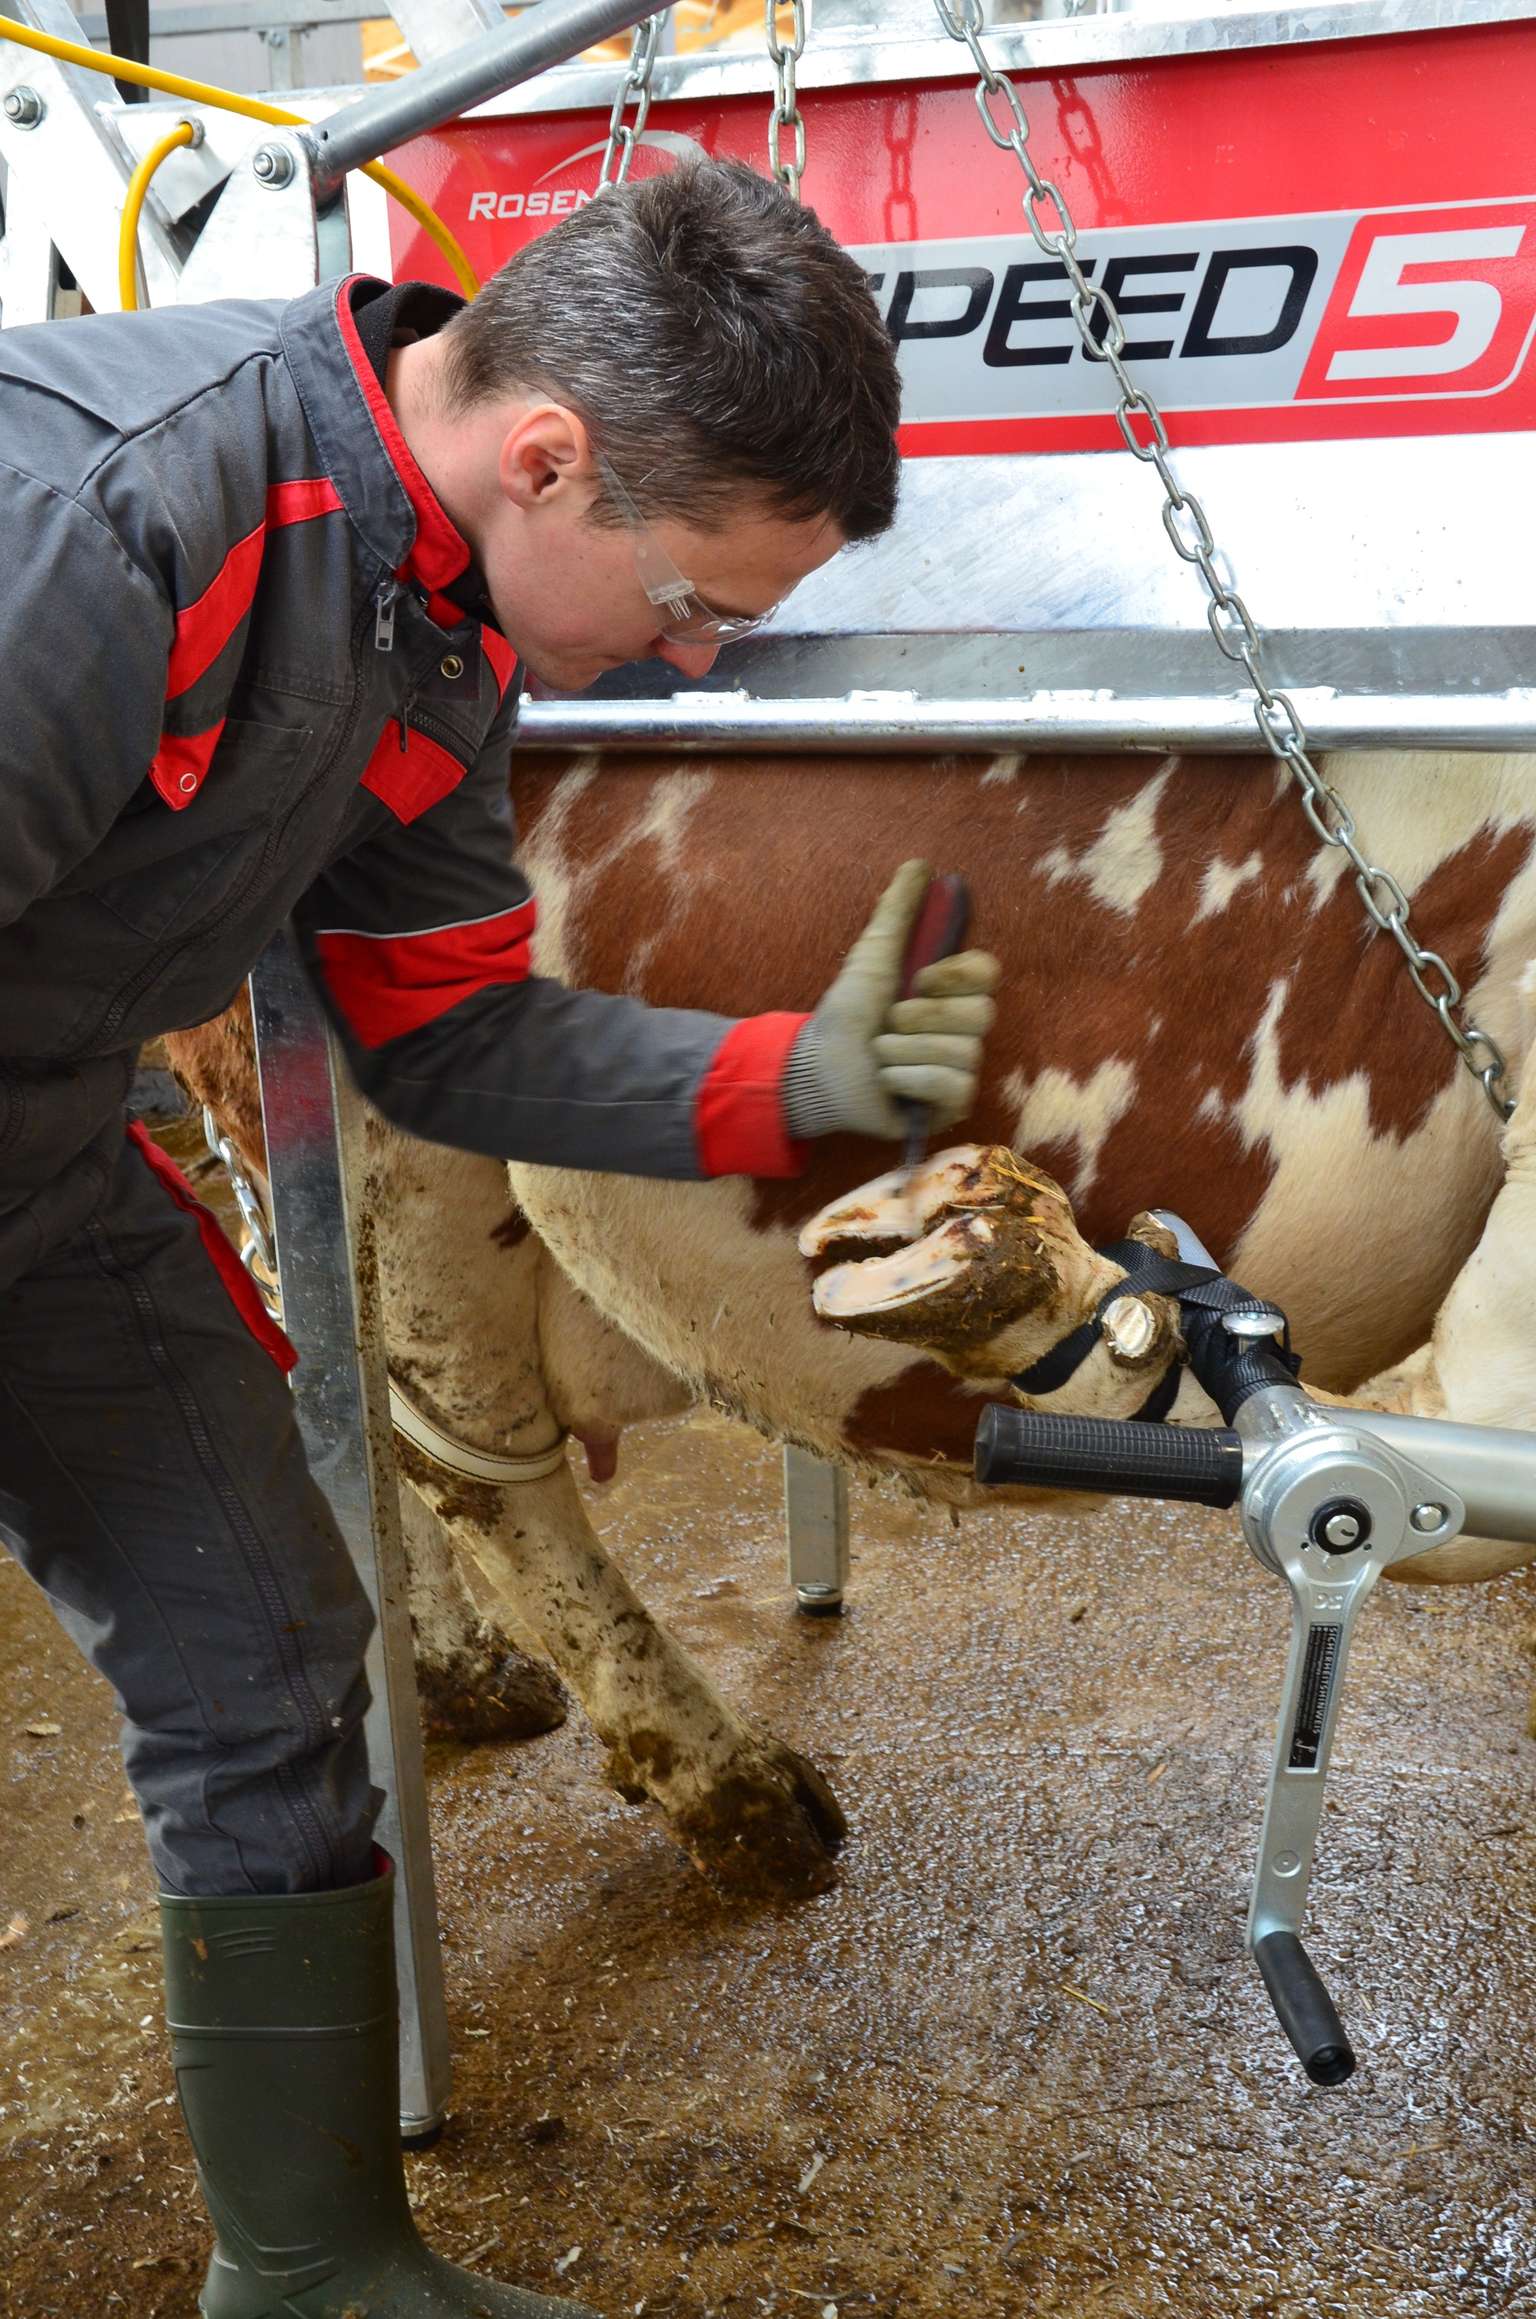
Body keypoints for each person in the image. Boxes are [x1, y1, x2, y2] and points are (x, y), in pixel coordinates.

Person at [0, 157, 999, 2317]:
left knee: (266, 1651)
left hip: (37, 1138)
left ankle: (320, 2269)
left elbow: (441, 1032)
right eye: (694, 601)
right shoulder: (108, 525)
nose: (696, 649)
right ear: (550, 456)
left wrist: (787, 1085)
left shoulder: (431, 630)